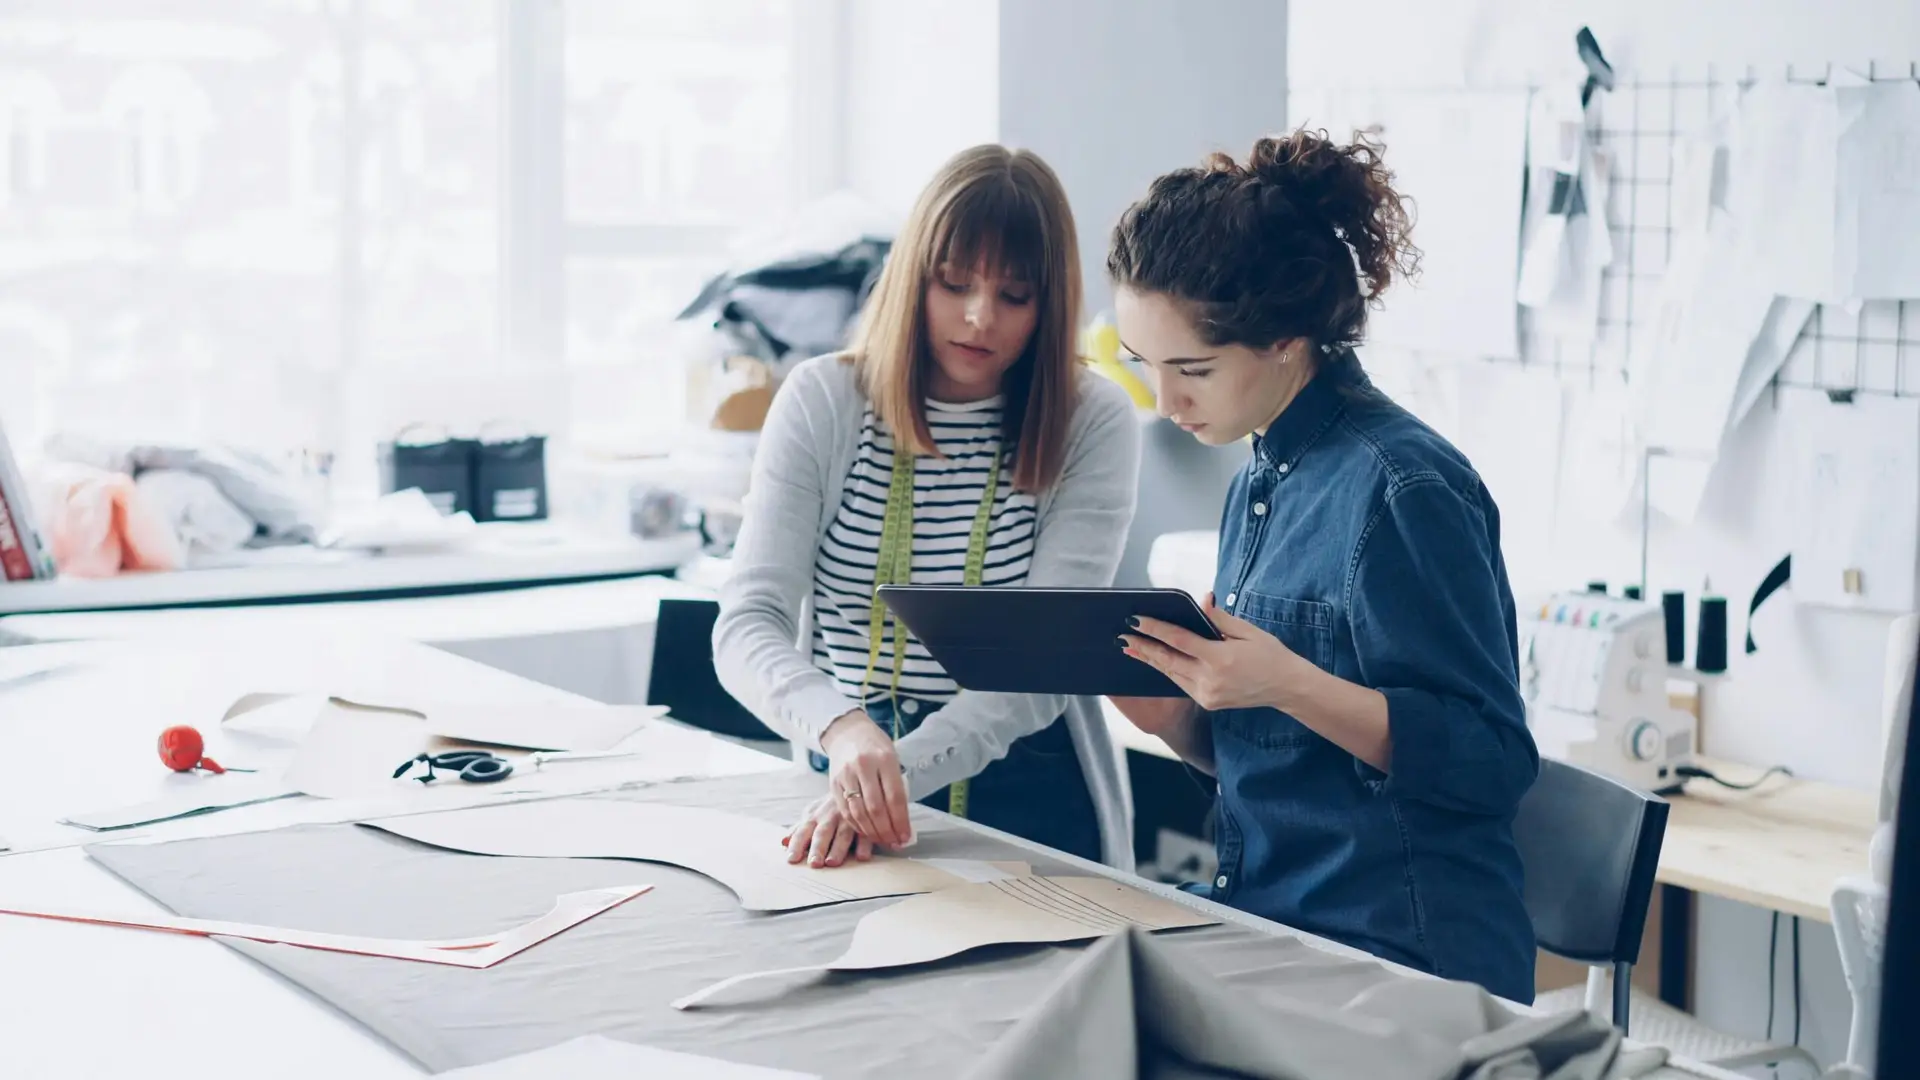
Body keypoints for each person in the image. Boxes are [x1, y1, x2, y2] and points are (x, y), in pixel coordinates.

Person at [1104, 130, 1540, 1003]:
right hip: (1272, 926)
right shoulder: (1261, 477)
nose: (1166, 400)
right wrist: (1181, 723)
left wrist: (1286, 681)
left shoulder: (1405, 490)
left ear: (1286, 340)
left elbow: (1492, 765)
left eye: (1193, 369)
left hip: (1402, 964)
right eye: (1143, 366)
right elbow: (1302, 776)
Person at [714, 144, 1142, 871]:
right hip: (846, 767)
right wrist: (844, 732)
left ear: (1052, 302)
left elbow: (1039, 667)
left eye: (1015, 296)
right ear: (915, 276)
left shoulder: (1092, 418)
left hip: (1031, 787)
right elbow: (747, 623)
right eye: (953, 284)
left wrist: (893, 776)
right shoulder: (822, 401)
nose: (980, 318)